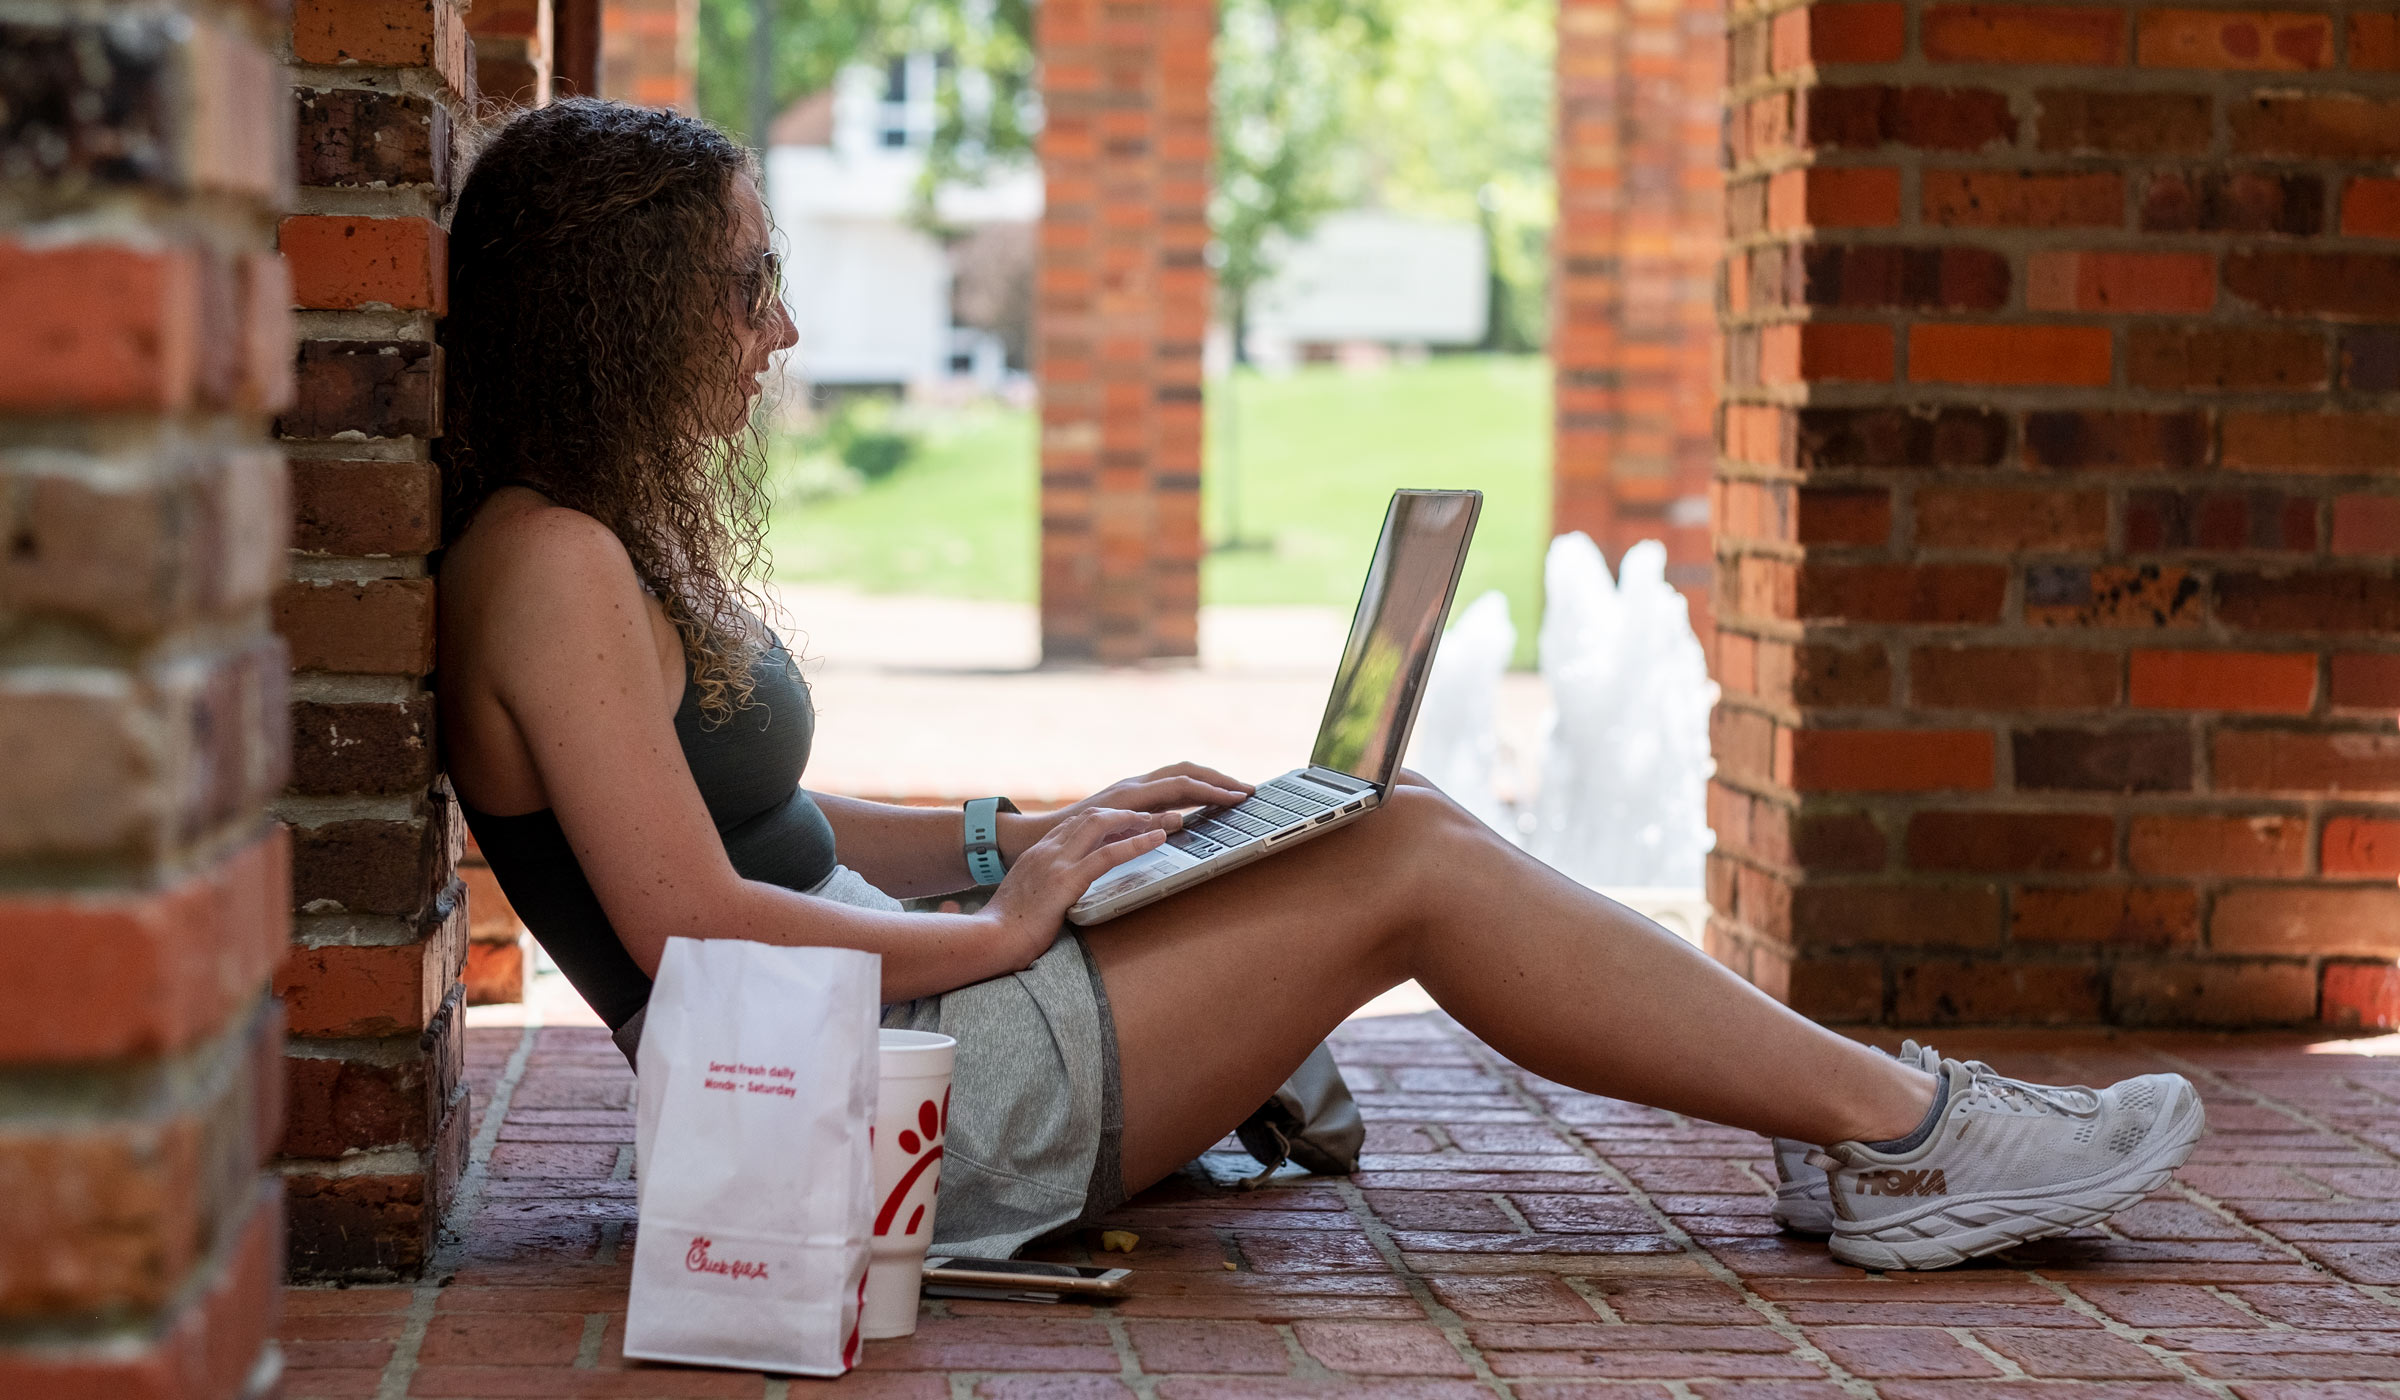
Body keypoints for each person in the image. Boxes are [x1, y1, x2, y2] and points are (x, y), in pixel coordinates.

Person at [436, 99, 2204, 1275]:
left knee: (1384, 814)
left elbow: (766, 834)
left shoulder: (574, 540)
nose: (782, 332)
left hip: (879, 1049)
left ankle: (1846, 1122)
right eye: (748, 287)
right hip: (851, 1115)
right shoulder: (548, 567)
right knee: (1408, 868)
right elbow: (690, 929)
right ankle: (1910, 1136)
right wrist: (999, 928)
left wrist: (1032, 831)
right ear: (625, 308)